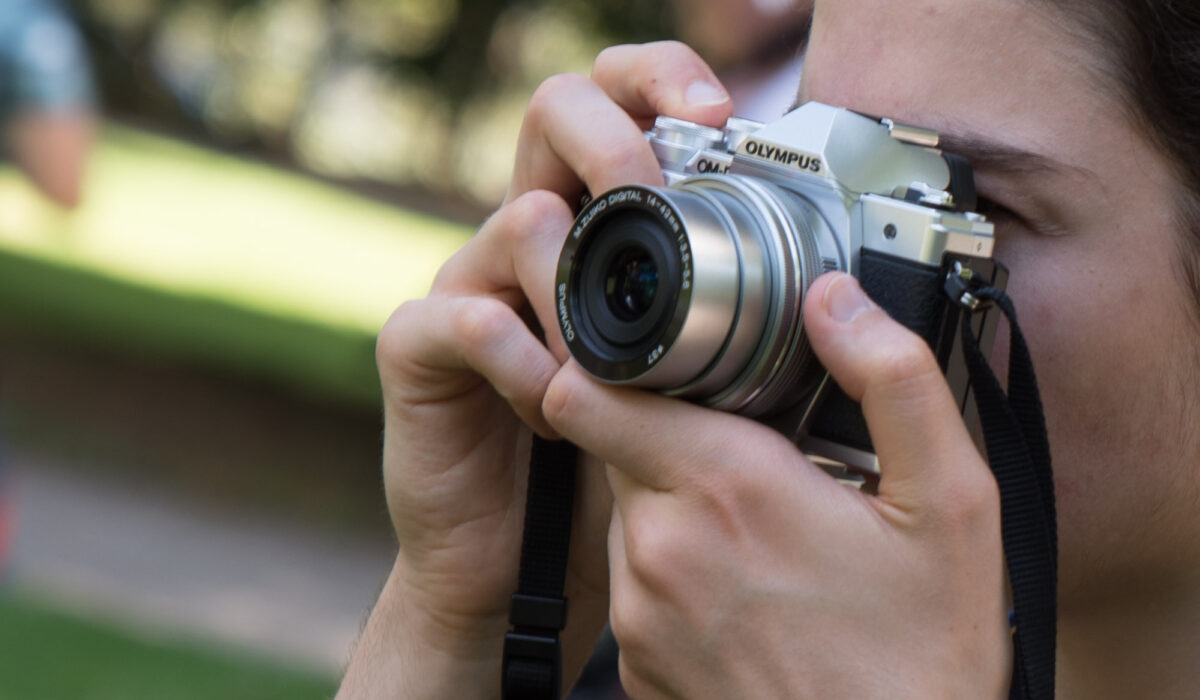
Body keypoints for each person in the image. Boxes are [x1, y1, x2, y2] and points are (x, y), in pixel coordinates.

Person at [339, 0, 1200, 697]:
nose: (810, 290)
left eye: (959, 206)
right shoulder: (686, 660)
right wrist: (468, 614)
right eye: (809, 176)